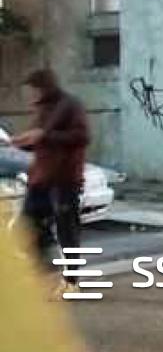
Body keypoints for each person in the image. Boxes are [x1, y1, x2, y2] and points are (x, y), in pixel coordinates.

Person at [12, 69, 91, 295]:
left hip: (64, 178)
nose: (30, 96)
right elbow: (41, 140)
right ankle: (45, 270)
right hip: (41, 179)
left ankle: (71, 281)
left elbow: (82, 137)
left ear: (44, 88)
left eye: (33, 91)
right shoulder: (44, 109)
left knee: (67, 231)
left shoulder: (70, 105)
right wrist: (22, 142)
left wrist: (44, 136)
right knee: (26, 225)